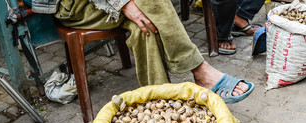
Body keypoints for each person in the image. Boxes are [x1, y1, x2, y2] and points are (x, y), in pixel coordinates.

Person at [53, 0, 254, 103]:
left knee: (144, 27)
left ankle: (161, 101)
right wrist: (122, 3)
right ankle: (200, 70)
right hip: (75, 8)